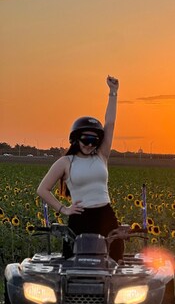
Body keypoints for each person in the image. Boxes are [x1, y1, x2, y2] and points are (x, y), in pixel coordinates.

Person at [37, 75, 124, 262]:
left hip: (106, 216)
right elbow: (42, 189)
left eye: (94, 140)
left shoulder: (102, 155)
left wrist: (113, 92)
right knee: (74, 266)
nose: (90, 144)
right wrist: (64, 209)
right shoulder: (65, 162)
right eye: (86, 139)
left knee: (114, 266)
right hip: (80, 218)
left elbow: (110, 124)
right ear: (76, 139)